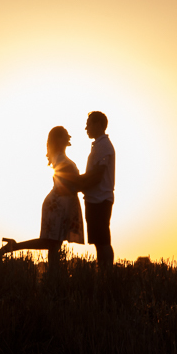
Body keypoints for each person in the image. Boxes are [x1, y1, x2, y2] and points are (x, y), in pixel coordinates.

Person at [0, 126, 84, 267]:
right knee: (50, 242)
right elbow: (69, 183)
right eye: (65, 135)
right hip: (58, 204)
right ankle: (14, 246)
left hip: (60, 203)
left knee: (54, 245)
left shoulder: (60, 157)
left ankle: (53, 277)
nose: (69, 136)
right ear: (58, 139)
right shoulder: (61, 159)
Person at [76, 111, 115, 267]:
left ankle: (107, 273)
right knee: (99, 241)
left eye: (89, 123)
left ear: (98, 124)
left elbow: (97, 175)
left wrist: (77, 183)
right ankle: (104, 272)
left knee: (103, 240)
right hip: (95, 199)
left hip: (100, 199)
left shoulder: (104, 146)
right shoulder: (99, 145)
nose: (86, 128)